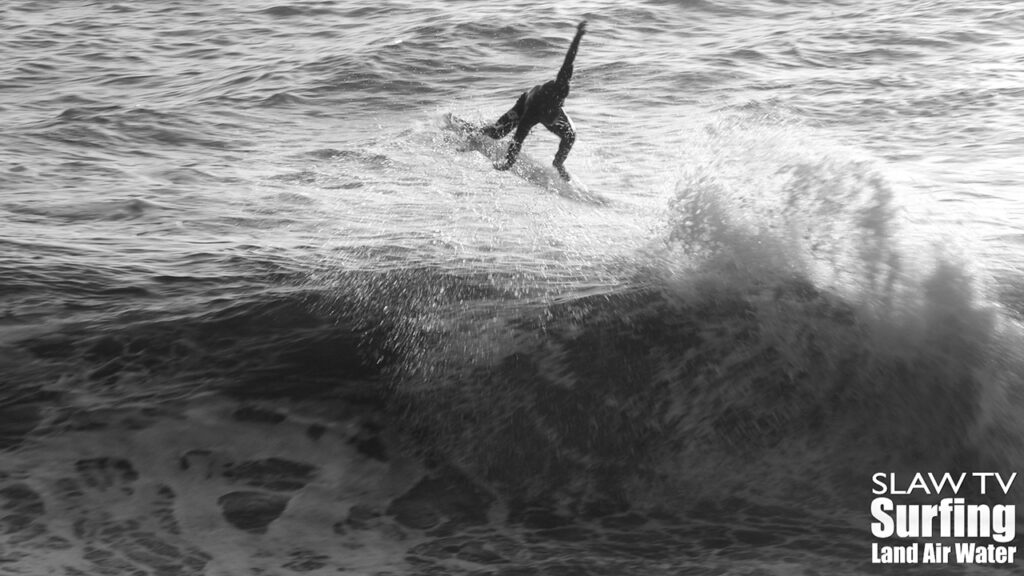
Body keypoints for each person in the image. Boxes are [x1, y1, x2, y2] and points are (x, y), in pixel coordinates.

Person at [481, 20, 587, 181]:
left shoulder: (561, 88)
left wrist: (578, 36)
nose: (551, 126)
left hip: (549, 105)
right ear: (542, 117)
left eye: (553, 121)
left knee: (570, 135)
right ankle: (478, 131)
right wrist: (509, 163)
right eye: (548, 122)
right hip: (527, 102)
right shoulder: (530, 115)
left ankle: (558, 163)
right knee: (497, 134)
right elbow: (517, 140)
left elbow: (568, 61)